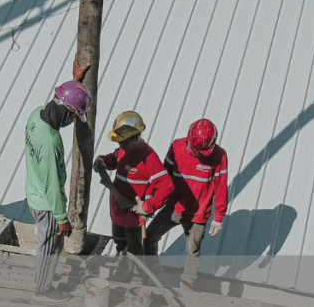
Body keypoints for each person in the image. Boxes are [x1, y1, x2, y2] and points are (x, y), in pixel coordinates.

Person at [24, 61, 91, 302]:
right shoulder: (50, 142)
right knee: (50, 246)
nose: (72, 121)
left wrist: (75, 82)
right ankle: (43, 289)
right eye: (73, 115)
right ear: (65, 110)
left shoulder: (36, 114)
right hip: (48, 205)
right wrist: (62, 218)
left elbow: (62, 100)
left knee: (47, 242)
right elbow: (53, 185)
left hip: (34, 193)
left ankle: (42, 282)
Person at [146, 118, 228, 290]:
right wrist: (152, 201)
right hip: (174, 207)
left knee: (193, 251)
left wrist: (218, 217)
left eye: (201, 152)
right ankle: (152, 270)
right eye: (195, 150)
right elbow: (163, 177)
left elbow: (220, 187)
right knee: (149, 237)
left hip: (198, 215)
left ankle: (187, 283)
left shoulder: (220, 156)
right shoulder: (176, 147)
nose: (198, 154)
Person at [91, 111, 173, 270]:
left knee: (134, 250)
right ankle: (123, 267)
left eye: (123, 142)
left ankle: (135, 276)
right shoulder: (124, 149)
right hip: (117, 210)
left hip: (133, 216)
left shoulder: (149, 158)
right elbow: (115, 158)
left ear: (136, 138)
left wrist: (147, 207)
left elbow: (166, 187)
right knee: (120, 243)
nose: (120, 145)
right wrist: (103, 160)